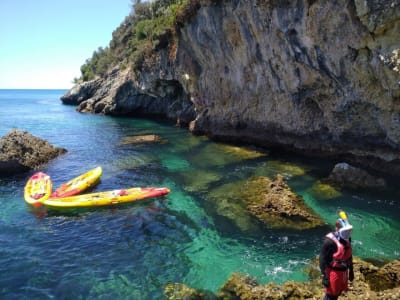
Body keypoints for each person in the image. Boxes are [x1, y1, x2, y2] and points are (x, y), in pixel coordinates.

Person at [319, 211, 354, 300]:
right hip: (333, 273)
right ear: (338, 230)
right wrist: (325, 277)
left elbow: (349, 255)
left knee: (338, 293)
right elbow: (322, 259)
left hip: (343, 272)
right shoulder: (329, 242)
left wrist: (351, 271)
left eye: (349, 232)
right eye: (346, 232)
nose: (348, 234)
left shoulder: (347, 239)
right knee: (331, 295)